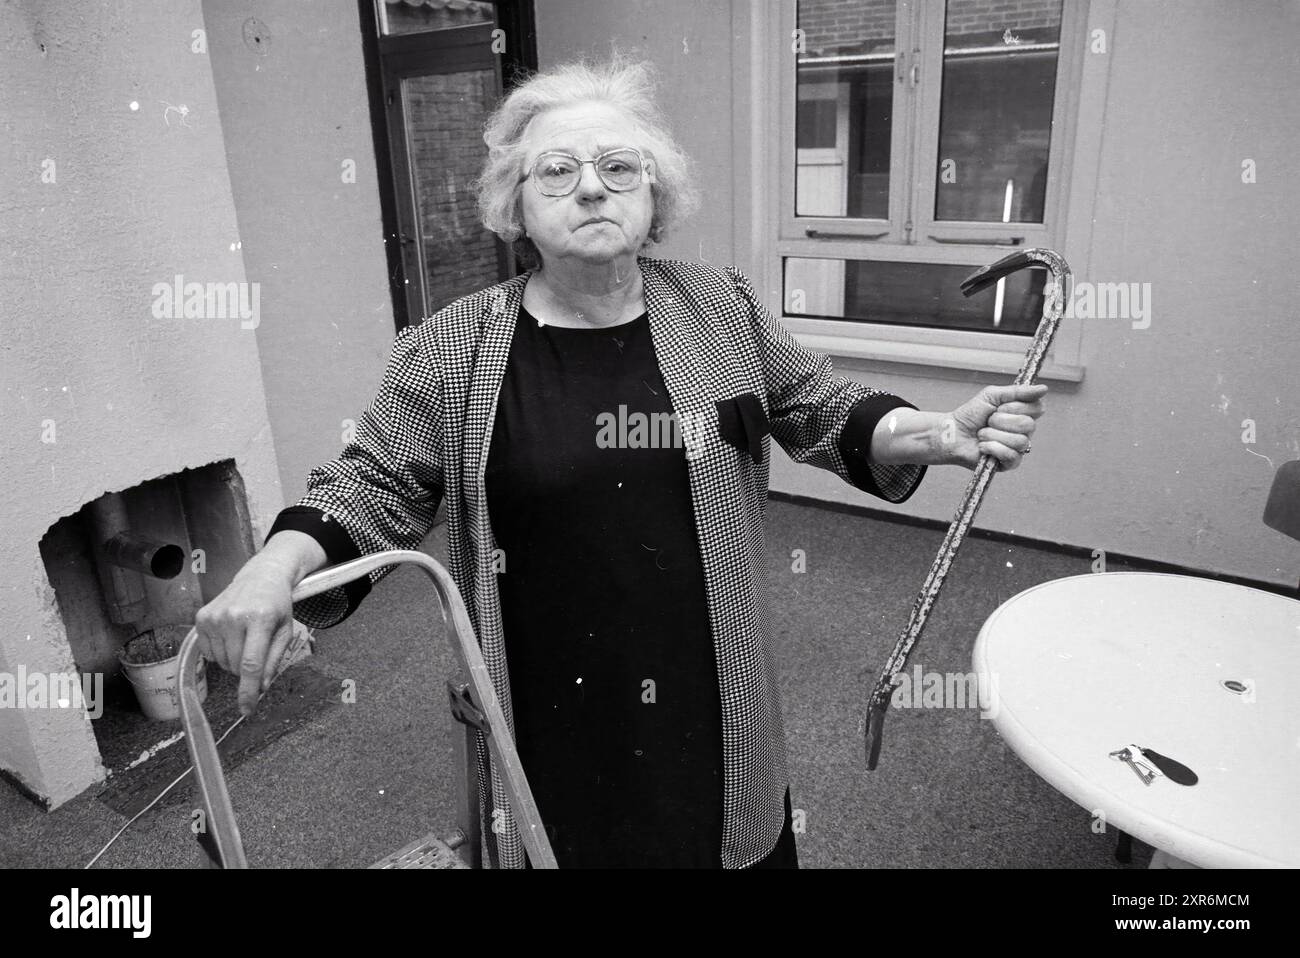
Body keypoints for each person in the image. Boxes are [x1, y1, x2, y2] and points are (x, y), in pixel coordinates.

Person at [195, 57, 1046, 869]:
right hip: (545, 695)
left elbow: (817, 407)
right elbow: (371, 483)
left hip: (711, 680)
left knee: (727, 836)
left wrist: (937, 434)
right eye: (557, 171)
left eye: (618, 166)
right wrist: (276, 564)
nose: (592, 187)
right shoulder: (452, 348)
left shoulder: (720, 308)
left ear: (656, 193)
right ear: (515, 208)